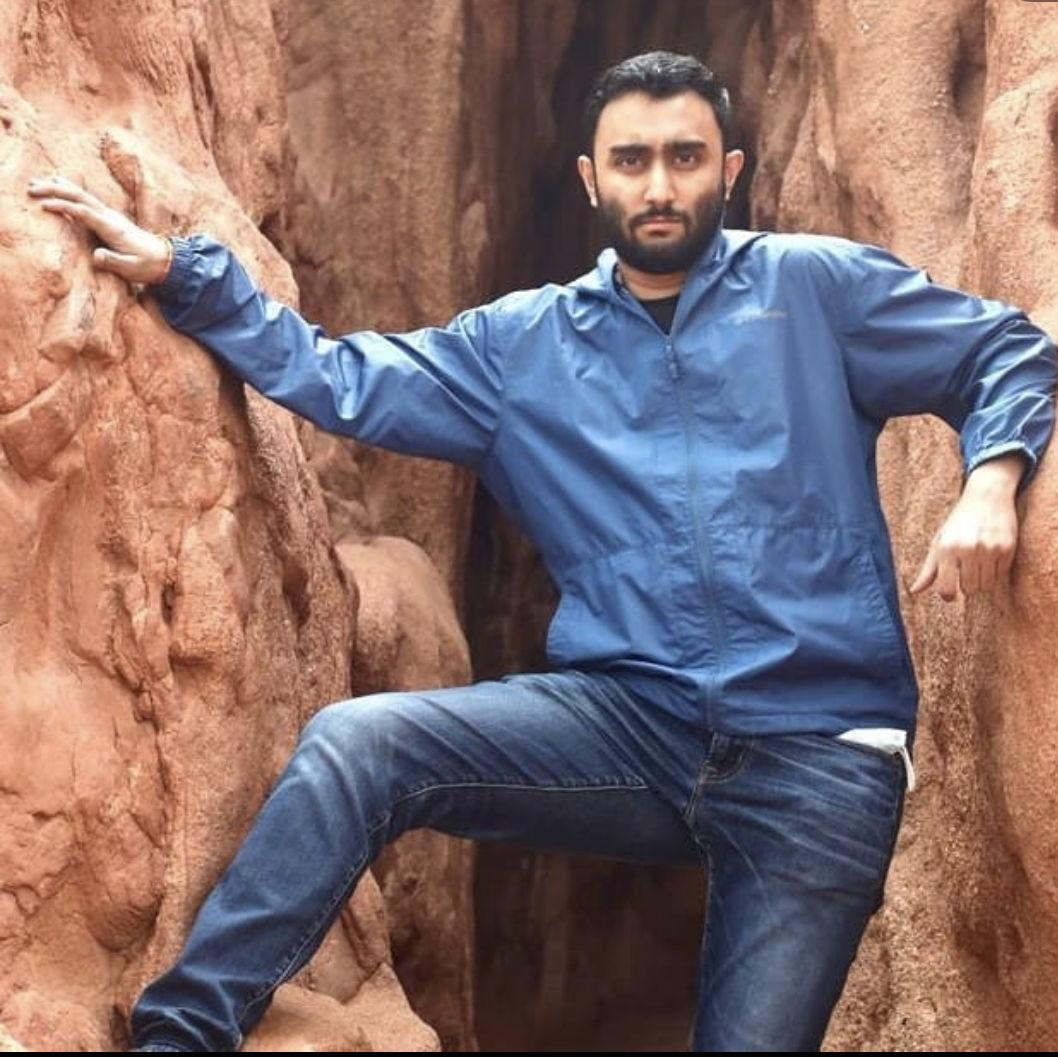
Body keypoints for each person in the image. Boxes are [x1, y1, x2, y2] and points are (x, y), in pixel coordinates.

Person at [27, 49, 1056, 1053]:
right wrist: (188, 276)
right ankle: (183, 1030)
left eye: (686, 157)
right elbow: (341, 377)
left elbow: (1004, 349)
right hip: (630, 727)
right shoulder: (524, 346)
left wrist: (992, 477)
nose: (660, 186)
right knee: (359, 742)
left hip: (819, 751)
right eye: (632, 160)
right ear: (591, 179)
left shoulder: (815, 288)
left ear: (730, 169)